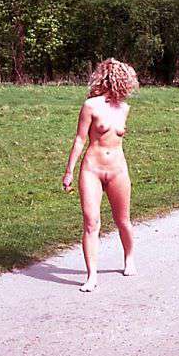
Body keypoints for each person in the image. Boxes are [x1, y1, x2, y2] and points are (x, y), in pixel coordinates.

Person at [62, 58, 139, 292]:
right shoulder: (91, 106)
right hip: (92, 169)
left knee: (123, 221)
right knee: (91, 222)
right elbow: (80, 139)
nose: (128, 86)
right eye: (125, 81)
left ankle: (129, 258)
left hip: (118, 170)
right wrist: (69, 171)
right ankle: (91, 275)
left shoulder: (124, 108)